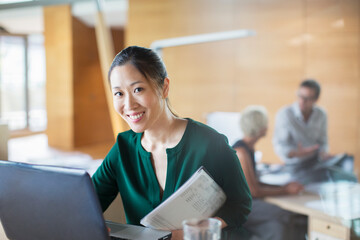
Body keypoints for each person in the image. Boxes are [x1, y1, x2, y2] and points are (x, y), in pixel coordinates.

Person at [91, 46, 252, 239]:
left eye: (138, 89)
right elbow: (87, 204)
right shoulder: (123, 148)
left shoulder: (209, 143)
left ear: (164, 87)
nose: (129, 104)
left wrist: (187, 233)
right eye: (119, 93)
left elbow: (240, 206)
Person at [233, 105, 305, 240]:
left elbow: (254, 182)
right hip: (241, 207)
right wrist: (286, 190)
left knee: (277, 227)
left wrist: (285, 187)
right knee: (288, 215)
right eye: (265, 123)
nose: (268, 127)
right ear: (260, 127)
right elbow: (254, 191)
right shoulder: (241, 152)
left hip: (250, 203)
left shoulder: (249, 148)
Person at [273, 79, 331, 169]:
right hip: (293, 165)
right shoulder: (285, 114)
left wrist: (323, 153)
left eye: (307, 98)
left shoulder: (321, 114)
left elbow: (323, 142)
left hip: (315, 163)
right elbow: (280, 145)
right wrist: (296, 153)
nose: (302, 101)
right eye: (300, 96)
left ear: (316, 99)